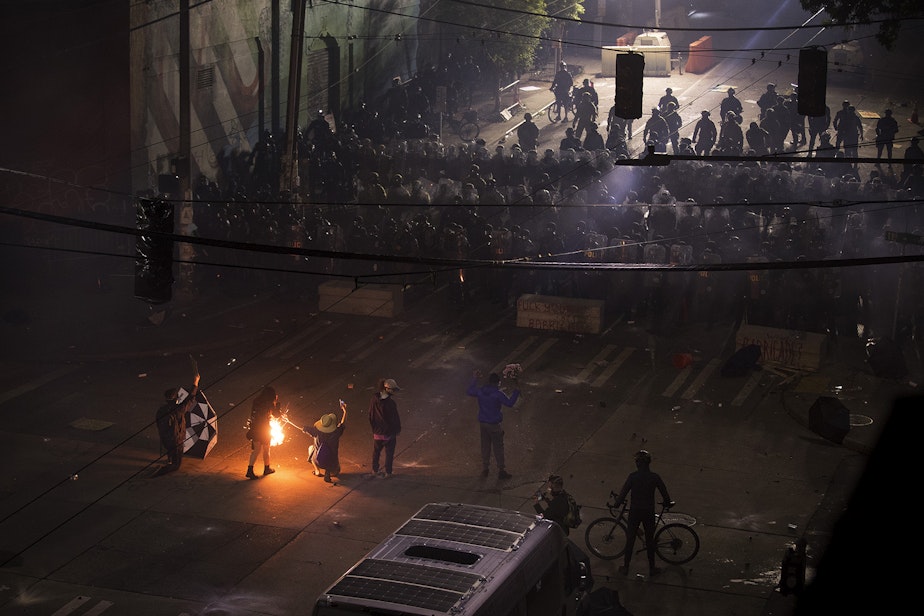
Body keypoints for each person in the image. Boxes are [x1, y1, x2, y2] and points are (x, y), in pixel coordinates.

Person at [613, 450, 673, 577]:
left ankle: (626, 567)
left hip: (635, 511)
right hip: (648, 511)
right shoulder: (654, 477)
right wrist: (667, 502)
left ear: (638, 463)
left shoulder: (633, 476)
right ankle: (652, 568)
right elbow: (664, 492)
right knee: (650, 540)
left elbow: (623, 492)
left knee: (630, 540)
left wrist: (616, 504)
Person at [467, 369, 520, 479]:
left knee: (485, 446)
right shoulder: (498, 394)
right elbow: (510, 403)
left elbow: (469, 391)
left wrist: (475, 378)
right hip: (494, 425)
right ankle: (501, 470)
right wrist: (516, 391)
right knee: (498, 447)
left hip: (483, 424)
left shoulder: (481, 391)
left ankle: (485, 469)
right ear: (498, 382)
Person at [154, 370, 201, 476]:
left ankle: (170, 460)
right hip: (176, 440)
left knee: (171, 453)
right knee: (176, 465)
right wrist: (196, 382)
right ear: (176, 399)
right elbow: (190, 398)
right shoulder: (179, 409)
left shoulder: (161, 410)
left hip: (166, 439)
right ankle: (162, 471)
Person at [303, 400, 347, 483]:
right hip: (332, 463)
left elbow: (306, 429)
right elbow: (342, 423)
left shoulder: (316, 431)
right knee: (335, 467)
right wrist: (344, 411)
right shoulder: (336, 432)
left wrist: (304, 429)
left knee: (311, 448)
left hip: (318, 460)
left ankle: (317, 470)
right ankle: (328, 472)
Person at [368, 378, 402, 478]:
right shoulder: (390, 404)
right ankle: (388, 472)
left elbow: (370, 415)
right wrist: (396, 430)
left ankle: (374, 470)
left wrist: (374, 428)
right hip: (388, 434)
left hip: (377, 433)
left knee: (376, 452)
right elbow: (394, 419)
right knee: (389, 453)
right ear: (387, 389)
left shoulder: (374, 399)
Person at [246, 386, 279, 479]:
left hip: (255, 428)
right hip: (264, 429)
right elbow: (276, 415)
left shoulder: (256, 401)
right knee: (266, 449)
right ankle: (267, 468)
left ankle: (250, 470)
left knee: (256, 450)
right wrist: (276, 403)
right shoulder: (269, 403)